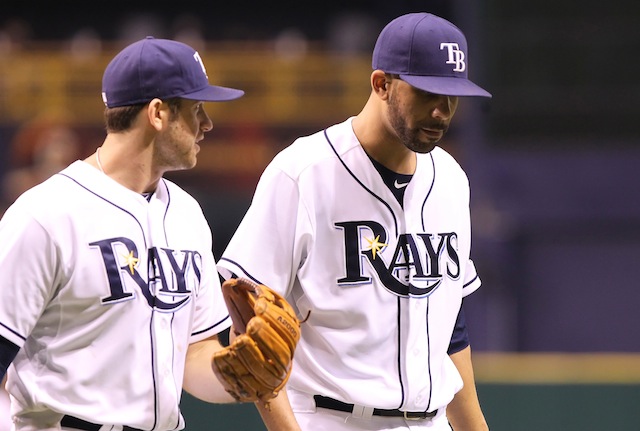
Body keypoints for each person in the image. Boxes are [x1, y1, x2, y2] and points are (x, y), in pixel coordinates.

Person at [0, 36, 296, 431]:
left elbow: (193, 355)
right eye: (196, 109)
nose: (206, 124)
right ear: (158, 113)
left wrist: (242, 376)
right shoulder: (46, 214)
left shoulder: (188, 215)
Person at [218, 12, 492, 431]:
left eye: (453, 96)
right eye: (428, 93)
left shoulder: (451, 180)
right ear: (381, 83)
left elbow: (449, 327)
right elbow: (249, 323)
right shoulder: (302, 172)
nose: (442, 111)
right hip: (330, 418)